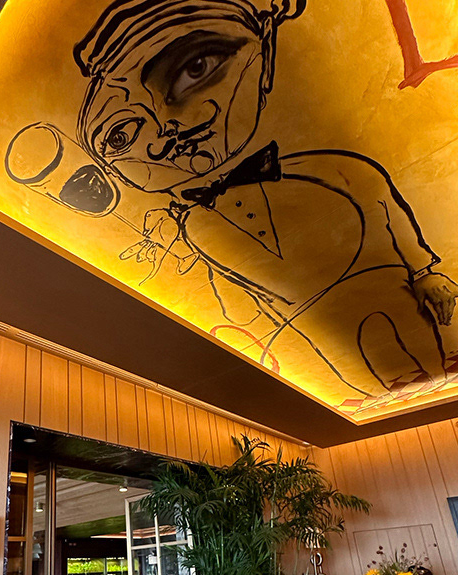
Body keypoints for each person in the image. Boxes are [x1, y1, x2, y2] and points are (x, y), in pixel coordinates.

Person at [71, 0, 458, 398]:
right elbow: (232, 286)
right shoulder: (194, 228)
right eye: (121, 135)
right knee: (383, 379)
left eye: (196, 68)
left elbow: (377, 194)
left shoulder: (327, 166)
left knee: (425, 356)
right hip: (309, 325)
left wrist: (424, 271)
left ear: (266, 51)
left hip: (383, 285)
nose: (162, 135)